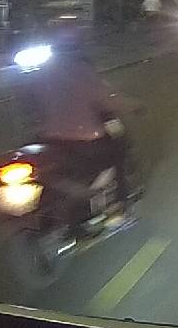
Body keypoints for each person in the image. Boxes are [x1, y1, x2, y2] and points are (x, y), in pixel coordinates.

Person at [16, 25, 137, 228]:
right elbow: (108, 100)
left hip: (48, 140)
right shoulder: (82, 71)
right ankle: (120, 208)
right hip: (85, 140)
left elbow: (29, 105)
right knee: (119, 152)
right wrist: (134, 106)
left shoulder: (39, 73)